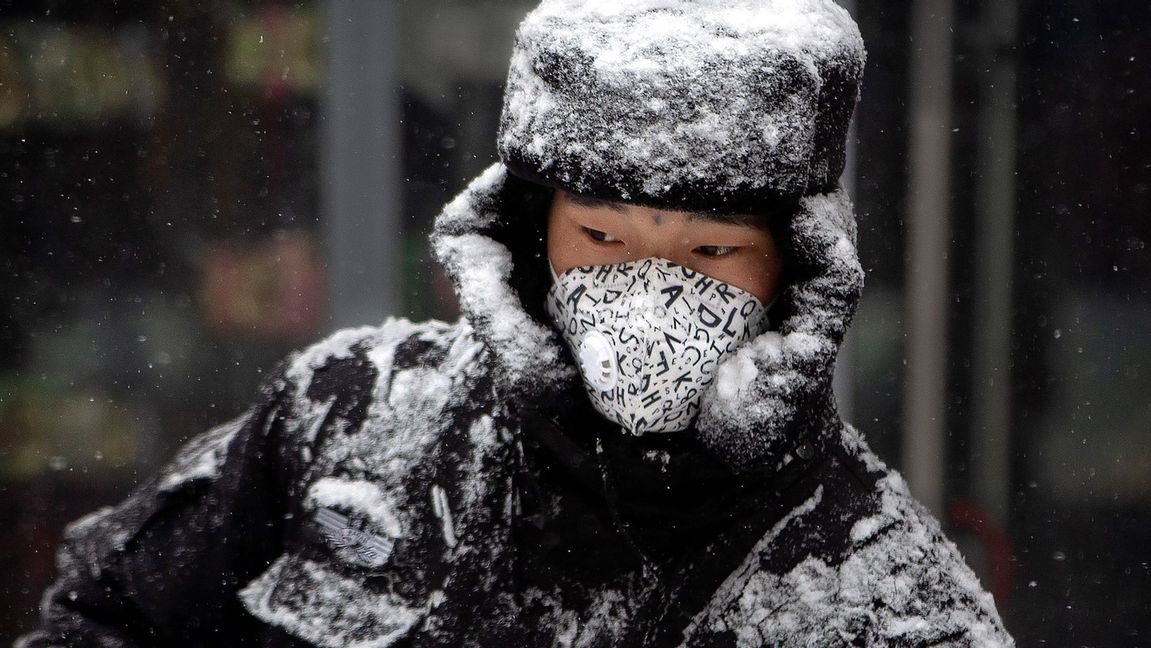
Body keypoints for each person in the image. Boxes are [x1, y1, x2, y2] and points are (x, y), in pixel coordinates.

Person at [19, 0, 1015, 646]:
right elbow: (106, 615)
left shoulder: (880, 607)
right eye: (602, 238)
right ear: (529, 242)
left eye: (708, 254)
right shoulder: (353, 422)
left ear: (794, 272)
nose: (646, 295)